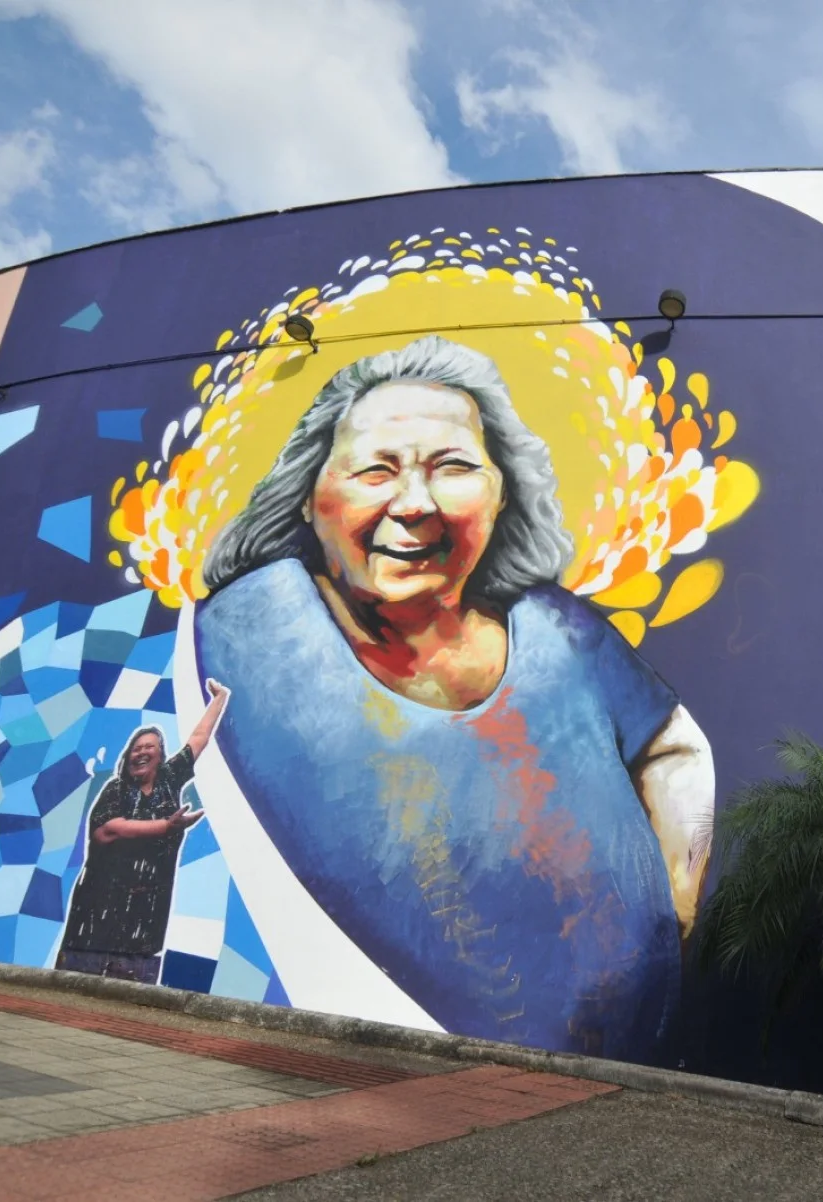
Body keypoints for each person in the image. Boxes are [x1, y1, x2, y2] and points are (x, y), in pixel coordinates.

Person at [195, 334, 714, 1059]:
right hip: (350, 1073)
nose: (415, 504)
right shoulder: (243, 632)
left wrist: (673, 906)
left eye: (455, 468)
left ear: (502, 494)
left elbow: (672, 746)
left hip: (613, 1082)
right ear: (310, 496)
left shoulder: (559, 632)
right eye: (376, 470)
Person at [55, 680, 231, 982]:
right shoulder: (116, 790)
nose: (141, 753)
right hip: (91, 934)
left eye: (149, 747)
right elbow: (108, 831)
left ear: (160, 755)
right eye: (136, 748)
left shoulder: (168, 780)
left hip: (142, 937)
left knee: (125, 1016)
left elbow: (198, 739)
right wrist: (165, 826)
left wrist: (220, 699)